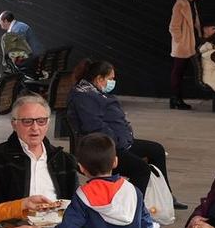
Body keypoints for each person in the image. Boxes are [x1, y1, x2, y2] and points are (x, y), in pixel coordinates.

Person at [67, 58, 177, 198]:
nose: (113, 82)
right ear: (99, 79)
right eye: (111, 78)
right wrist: (118, 139)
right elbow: (94, 126)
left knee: (157, 150)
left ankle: (166, 196)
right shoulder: (84, 96)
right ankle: (133, 206)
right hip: (102, 149)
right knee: (141, 169)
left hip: (119, 142)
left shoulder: (96, 92)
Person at [0, 94, 79, 204]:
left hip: (60, 220)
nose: (35, 128)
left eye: (41, 121)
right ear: (14, 125)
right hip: (12, 220)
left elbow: (77, 206)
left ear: (48, 124)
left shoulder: (65, 161)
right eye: (27, 121)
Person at [168, 0, 202, 110]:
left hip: (189, 45)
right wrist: (181, 41)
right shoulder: (180, 5)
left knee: (180, 73)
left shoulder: (191, 4)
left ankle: (175, 100)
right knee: (178, 72)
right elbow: (173, 27)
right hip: (182, 46)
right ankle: (176, 100)